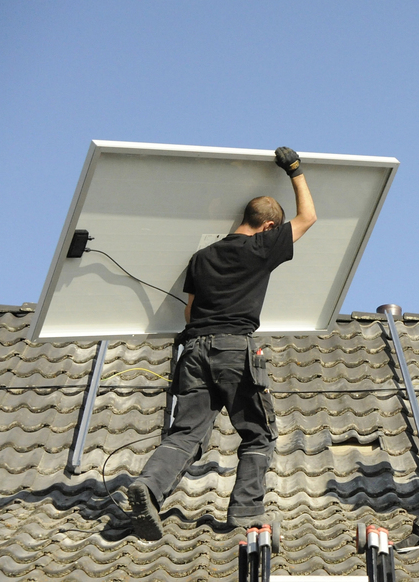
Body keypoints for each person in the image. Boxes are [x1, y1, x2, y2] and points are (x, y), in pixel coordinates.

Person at [127, 146, 317, 542]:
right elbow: (308, 218)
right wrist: (294, 169)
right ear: (268, 227)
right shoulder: (262, 247)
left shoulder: (201, 257)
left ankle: (148, 486)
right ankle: (245, 513)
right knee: (258, 432)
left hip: (194, 351)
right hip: (235, 349)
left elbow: (190, 313)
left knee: (184, 433)